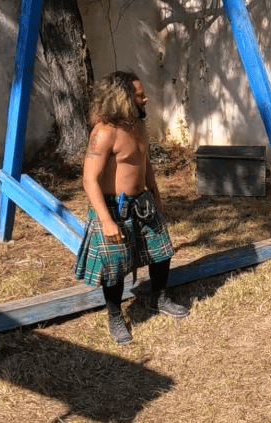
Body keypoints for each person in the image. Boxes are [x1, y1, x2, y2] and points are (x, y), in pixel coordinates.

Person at [73, 71, 188, 345]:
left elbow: (143, 163)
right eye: (139, 95)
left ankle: (158, 299)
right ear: (122, 98)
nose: (146, 98)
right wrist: (106, 220)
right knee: (114, 268)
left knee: (162, 253)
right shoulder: (104, 133)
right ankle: (115, 316)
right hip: (113, 208)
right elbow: (89, 180)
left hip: (142, 203)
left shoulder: (138, 125)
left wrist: (156, 193)